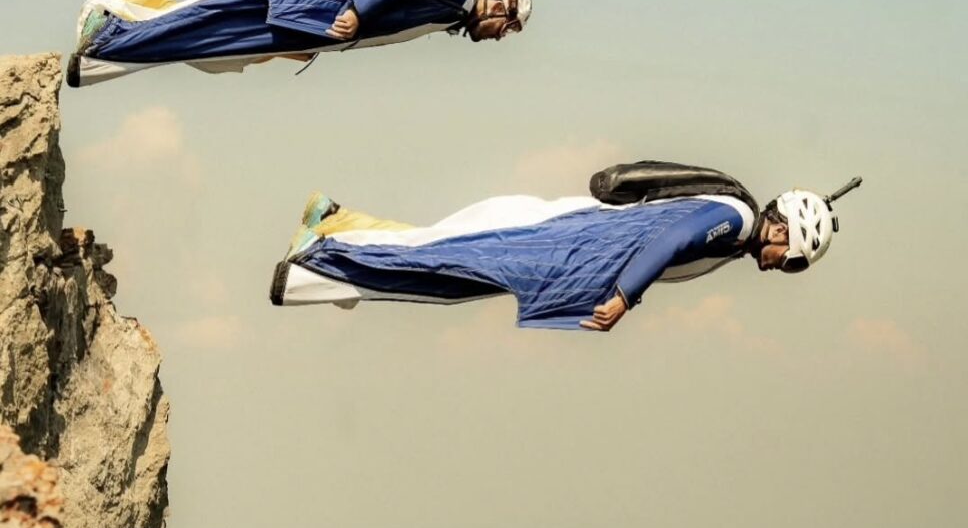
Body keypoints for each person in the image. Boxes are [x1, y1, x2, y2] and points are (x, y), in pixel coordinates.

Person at [269, 179, 859, 331]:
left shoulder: (734, 234)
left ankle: (338, 247)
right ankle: (327, 242)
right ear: (788, 232)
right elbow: (666, 242)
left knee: (452, 275)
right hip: (556, 237)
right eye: (793, 259)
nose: (783, 267)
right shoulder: (732, 218)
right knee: (445, 258)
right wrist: (627, 297)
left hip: (565, 249)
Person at [67, 0, 550, 87]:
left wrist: (320, 42)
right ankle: (109, 26)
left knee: (214, 55)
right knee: (207, 26)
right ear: (497, 3)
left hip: (309, 19)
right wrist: (357, 15)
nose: (501, 36)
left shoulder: (453, 11)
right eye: (508, 26)